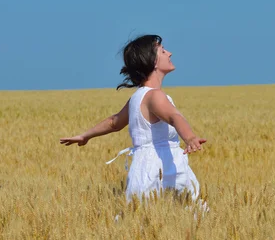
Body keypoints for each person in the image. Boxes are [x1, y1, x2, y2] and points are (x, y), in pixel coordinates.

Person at [60, 34, 206, 204]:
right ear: (153, 61)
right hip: (164, 167)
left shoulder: (137, 97)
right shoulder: (155, 96)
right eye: (163, 51)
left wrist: (85, 135)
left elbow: (114, 122)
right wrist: (189, 137)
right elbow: (174, 117)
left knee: (144, 216)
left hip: (142, 168)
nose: (170, 53)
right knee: (186, 213)